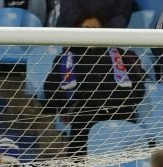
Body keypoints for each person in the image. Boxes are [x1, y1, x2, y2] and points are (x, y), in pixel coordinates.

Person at [43, 12, 144, 154]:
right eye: (86, 28)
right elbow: (50, 92)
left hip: (120, 110)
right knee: (82, 121)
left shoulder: (122, 55)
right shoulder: (66, 59)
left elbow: (139, 90)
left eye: (95, 28)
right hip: (84, 113)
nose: (90, 32)